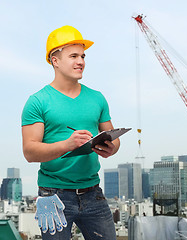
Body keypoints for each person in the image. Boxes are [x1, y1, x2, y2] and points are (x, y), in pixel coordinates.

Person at [21, 25, 119, 239]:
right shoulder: (37, 101)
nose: (81, 61)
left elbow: (112, 136)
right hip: (53, 196)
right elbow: (30, 152)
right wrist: (69, 143)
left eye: (83, 56)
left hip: (93, 193)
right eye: (73, 56)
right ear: (55, 60)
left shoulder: (97, 98)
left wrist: (111, 147)